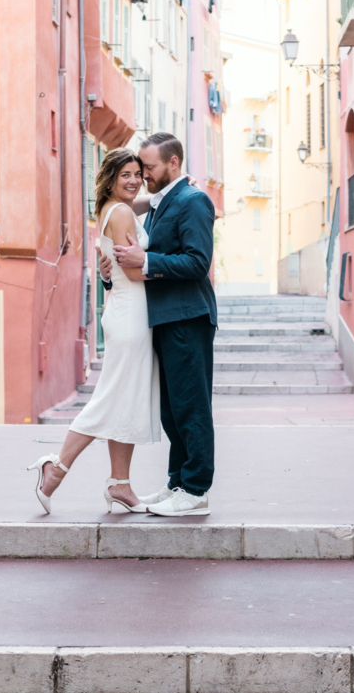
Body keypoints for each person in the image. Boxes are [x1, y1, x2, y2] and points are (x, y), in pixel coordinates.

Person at [27, 149, 159, 515]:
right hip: (131, 314)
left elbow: (145, 202)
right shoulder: (120, 213)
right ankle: (55, 469)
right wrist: (171, 268)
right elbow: (134, 272)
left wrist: (169, 191)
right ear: (111, 178)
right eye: (125, 175)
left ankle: (120, 485)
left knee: (126, 399)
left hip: (125, 311)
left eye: (138, 174)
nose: (134, 181)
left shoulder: (112, 209)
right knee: (111, 399)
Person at [108, 132, 217, 517]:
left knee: (191, 407)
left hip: (188, 316)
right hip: (166, 318)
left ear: (173, 163)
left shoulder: (194, 201)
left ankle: (196, 491)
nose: (144, 175)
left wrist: (146, 261)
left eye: (149, 167)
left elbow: (197, 262)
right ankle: (178, 484)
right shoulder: (158, 204)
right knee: (173, 410)